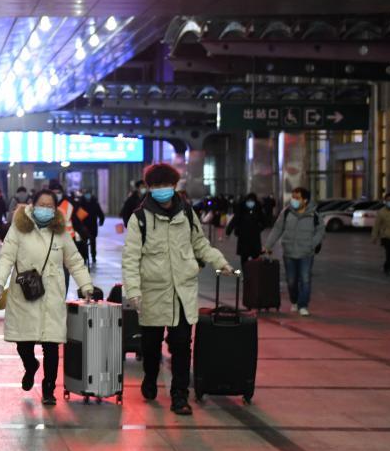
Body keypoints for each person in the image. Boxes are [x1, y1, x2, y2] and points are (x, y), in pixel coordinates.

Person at [121, 163, 234, 415]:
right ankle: (150, 378)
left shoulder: (187, 214)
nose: (163, 190)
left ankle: (179, 395)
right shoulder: (139, 218)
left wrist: (220, 261)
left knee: (182, 344)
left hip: (182, 292)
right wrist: (134, 291)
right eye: (157, 185)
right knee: (150, 346)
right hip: (153, 293)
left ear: (175, 186)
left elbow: (200, 244)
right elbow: (130, 258)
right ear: (149, 188)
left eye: (167, 185)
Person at [0, 189, 94, 405]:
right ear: (32, 204)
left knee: (51, 344)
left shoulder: (60, 231)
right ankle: (30, 366)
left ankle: (49, 389)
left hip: (52, 293)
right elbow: (7, 256)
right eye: (42, 204)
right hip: (24, 292)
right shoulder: (19, 228)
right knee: (23, 342)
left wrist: (85, 284)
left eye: (50, 206)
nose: (45, 209)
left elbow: (74, 260)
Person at [264, 187, 324, 316]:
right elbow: (277, 229)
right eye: (293, 197)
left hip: (306, 253)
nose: (294, 200)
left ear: (305, 200)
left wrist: (311, 245)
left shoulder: (314, 215)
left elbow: (320, 232)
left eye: (297, 198)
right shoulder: (286, 212)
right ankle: (294, 301)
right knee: (291, 280)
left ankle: (303, 305)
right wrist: (268, 245)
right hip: (289, 252)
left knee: (305, 279)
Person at [226, 192, 265, 270]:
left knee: (255, 257)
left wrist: (259, 228)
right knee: (244, 257)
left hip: (253, 237)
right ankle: (246, 274)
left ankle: (253, 274)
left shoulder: (258, 208)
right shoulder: (242, 208)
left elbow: (264, 220)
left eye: (252, 200)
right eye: (249, 200)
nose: (250, 202)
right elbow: (235, 219)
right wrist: (228, 231)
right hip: (244, 237)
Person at [79, 190, 105, 269]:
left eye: (89, 194)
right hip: (83, 227)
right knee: (83, 243)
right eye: (86, 194)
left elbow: (100, 213)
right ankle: (84, 257)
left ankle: (93, 256)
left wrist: (101, 220)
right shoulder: (81, 203)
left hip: (93, 226)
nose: (88, 195)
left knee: (93, 242)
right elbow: (77, 215)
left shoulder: (95, 203)